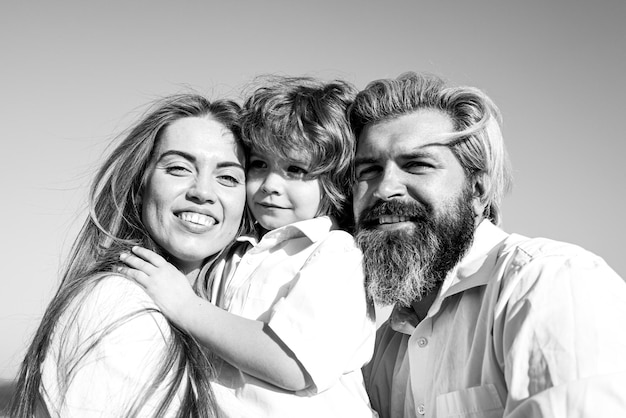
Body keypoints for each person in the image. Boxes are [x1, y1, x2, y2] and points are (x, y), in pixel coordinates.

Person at [348, 72, 626, 417]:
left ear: (478, 190)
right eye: (368, 171)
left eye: (417, 165)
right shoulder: (377, 350)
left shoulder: (549, 283)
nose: (385, 188)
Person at [120, 76, 377, 417]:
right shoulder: (239, 251)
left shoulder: (335, 253)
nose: (271, 184)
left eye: (295, 170)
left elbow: (291, 364)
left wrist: (185, 305)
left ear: (332, 182)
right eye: (259, 164)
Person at [10, 94, 249, 417]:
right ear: (140, 187)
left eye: (228, 177)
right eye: (179, 168)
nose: (202, 192)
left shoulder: (218, 320)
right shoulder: (120, 302)